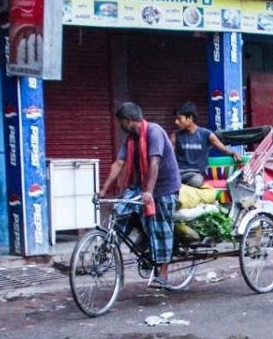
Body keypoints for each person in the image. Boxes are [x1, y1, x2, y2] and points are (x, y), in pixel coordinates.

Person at [102, 102, 180, 284]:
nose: (119, 125)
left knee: (159, 227)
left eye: (120, 122)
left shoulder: (154, 132)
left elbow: (154, 163)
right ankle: (106, 253)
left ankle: (163, 272)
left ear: (128, 120)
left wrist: (149, 192)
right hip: (142, 184)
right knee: (121, 211)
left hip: (164, 187)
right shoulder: (131, 139)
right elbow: (119, 163)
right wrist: (104, 189)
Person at [174, 102, 243, 188]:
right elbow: (168, 155)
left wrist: (233, 153)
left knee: (196, 182)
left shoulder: (206, 134)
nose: (176, 122)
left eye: (179, 119)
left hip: (195, 174)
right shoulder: (175, 135)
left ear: (190, 118)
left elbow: (224, 149)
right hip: (177, 173)